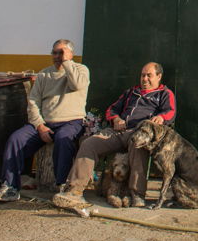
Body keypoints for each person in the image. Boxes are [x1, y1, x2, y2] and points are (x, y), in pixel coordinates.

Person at [52, 61, 176, 210]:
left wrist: (161, 118)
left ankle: (136, 195)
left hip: (139, 133)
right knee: (89, 144)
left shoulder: (164, 94)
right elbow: (111, 110)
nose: (144, 79)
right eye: (143, 75)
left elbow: (170, 112)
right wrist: (116, 119)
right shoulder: (131, 92)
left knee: (138, 146)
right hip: (118, 131)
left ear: (159, 76)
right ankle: (74, 191)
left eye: (149, 76)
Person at [0, 39, 90, 202]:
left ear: (71, 54)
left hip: (71, 121)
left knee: (64, 139)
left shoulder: (81, 70)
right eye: (55, 52)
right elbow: (33, 102)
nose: (58, 56)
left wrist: (67, 63)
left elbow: (77, 85)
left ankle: (63, 188)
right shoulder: (44, 74)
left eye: (62, 52)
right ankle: (10, 187)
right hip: (45, 123)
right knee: (15, 139)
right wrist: (39, 125)